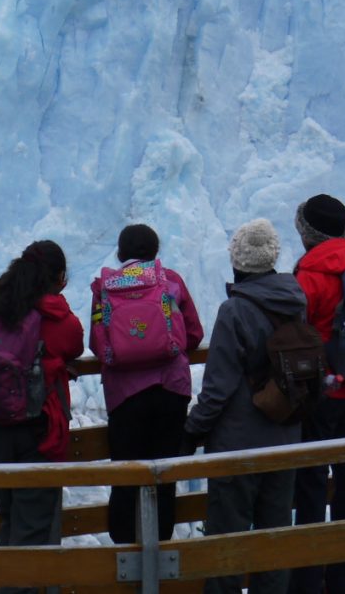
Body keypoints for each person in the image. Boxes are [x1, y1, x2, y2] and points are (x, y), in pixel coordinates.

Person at [182, 219, 306, 594]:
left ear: (237, 260)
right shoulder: (296, 301)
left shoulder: (234, 310)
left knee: (227, 542)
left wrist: (193, 429)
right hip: (285, 439)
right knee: (274, 538)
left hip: (237, 446)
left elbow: (217, 388)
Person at [0, 240, 84, 594]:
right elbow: (76, 342)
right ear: (57, 278)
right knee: (32, 529)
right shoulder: (53, 315)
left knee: (10, 522)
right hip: (37, 430)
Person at [90, 224, 203, 543]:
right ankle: (160, 552)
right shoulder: (171, 281)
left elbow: (98, 343)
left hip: (125, 397)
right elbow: (194, 333)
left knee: (125, 474)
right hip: (171, 391)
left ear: (121, 252)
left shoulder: (105, 287)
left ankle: (125, 557)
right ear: (155, 251)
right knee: (163, 474)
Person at [288, 194, 345, 594]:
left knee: (310, 481)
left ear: (309, 235)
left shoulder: (310, 273)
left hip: (321, 392)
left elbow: (293, 328)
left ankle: (306, 580)